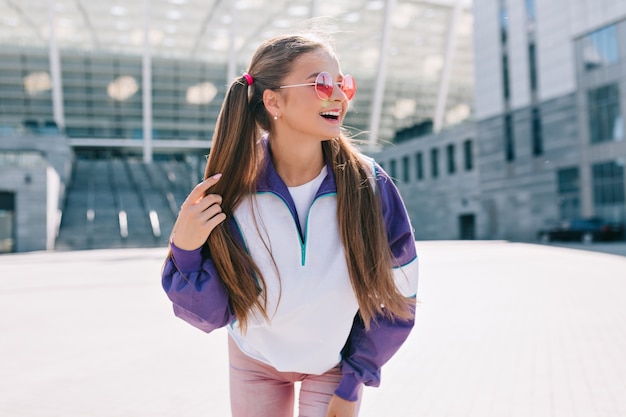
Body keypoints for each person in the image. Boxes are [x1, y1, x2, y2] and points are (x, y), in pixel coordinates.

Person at [161, 31, 419, 417]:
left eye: (342, 83)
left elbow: (401, 294)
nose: (339, 96)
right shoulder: (232, 189)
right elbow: (211, 314)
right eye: (322, 83)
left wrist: (353, 381)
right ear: (273, 101)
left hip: (334, 365)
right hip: (254, 362)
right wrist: (185, 250)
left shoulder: (369, 184)